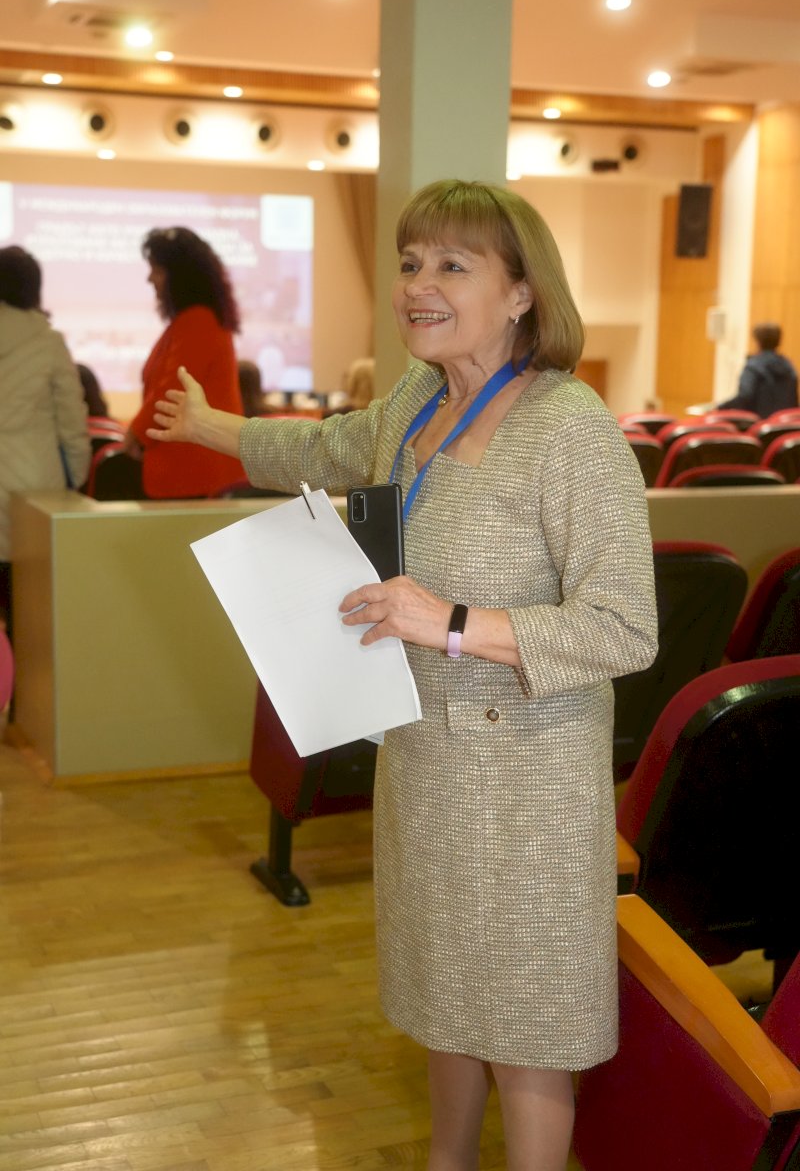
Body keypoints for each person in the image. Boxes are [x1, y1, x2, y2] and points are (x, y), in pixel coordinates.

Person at [146, 180, 658, 1171]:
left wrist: (450, 622)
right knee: (443, 994)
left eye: (451, 266)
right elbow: (319, 445)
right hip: (424, 760)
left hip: (526, 783)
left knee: (526, 1023)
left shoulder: (569, 427)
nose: (418, 284)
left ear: (520, 293)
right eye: (410, 262)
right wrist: (211, 428)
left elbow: (623, 627)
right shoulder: (417, 404)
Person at [0, 245, 90, 634]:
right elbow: (72, 422)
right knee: (31, 621)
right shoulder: (49, 342)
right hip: (35, 491)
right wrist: (76, 480)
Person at [119, 227, 245, 497]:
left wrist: (134, 435)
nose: (150, 279)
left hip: (196, 472)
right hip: (194, 468)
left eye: (157, 270)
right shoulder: (194, 321)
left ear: (180, 277)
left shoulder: (198, 322)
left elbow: (169, 393)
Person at [716, 322, 798, 418]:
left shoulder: (753, 366)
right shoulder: (789, 367)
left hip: (759, 423)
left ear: (757, 342)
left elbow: (745, 396)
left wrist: (720, 407)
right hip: (784, 423)